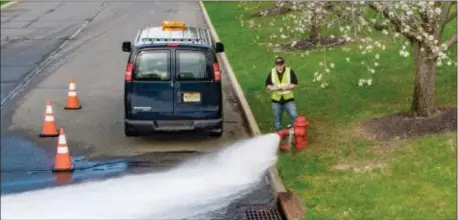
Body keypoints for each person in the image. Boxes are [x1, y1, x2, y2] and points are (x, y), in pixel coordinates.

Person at [265, 57, 299, 131]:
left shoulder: (289, 71)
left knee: (294, 115)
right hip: (276, 99)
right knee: (277, 117)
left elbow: (295, 84)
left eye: (281, 65)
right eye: (278, 65)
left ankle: (296, 130)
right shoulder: (272, 72)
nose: (279, 67)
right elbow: (267, 84)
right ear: (275, 65)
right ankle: (279, 132)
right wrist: (272, 88)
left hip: (289, 98)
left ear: (284, 64)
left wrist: (286, 87)